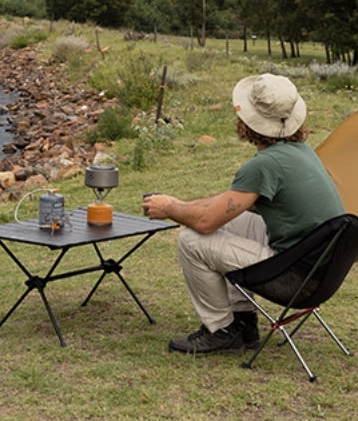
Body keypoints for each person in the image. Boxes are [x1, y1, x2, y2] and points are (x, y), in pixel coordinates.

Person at [143, 73, 345, 355]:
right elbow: (229, 204)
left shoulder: (265, 165)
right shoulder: (300, 152)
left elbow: (206, 221)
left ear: (247, 121)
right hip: (322, 274)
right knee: (242, 220)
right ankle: (243, 320)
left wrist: (170, 209)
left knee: (191, 240)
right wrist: (183, 203)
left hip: (296, 281)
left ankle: (221, 331)